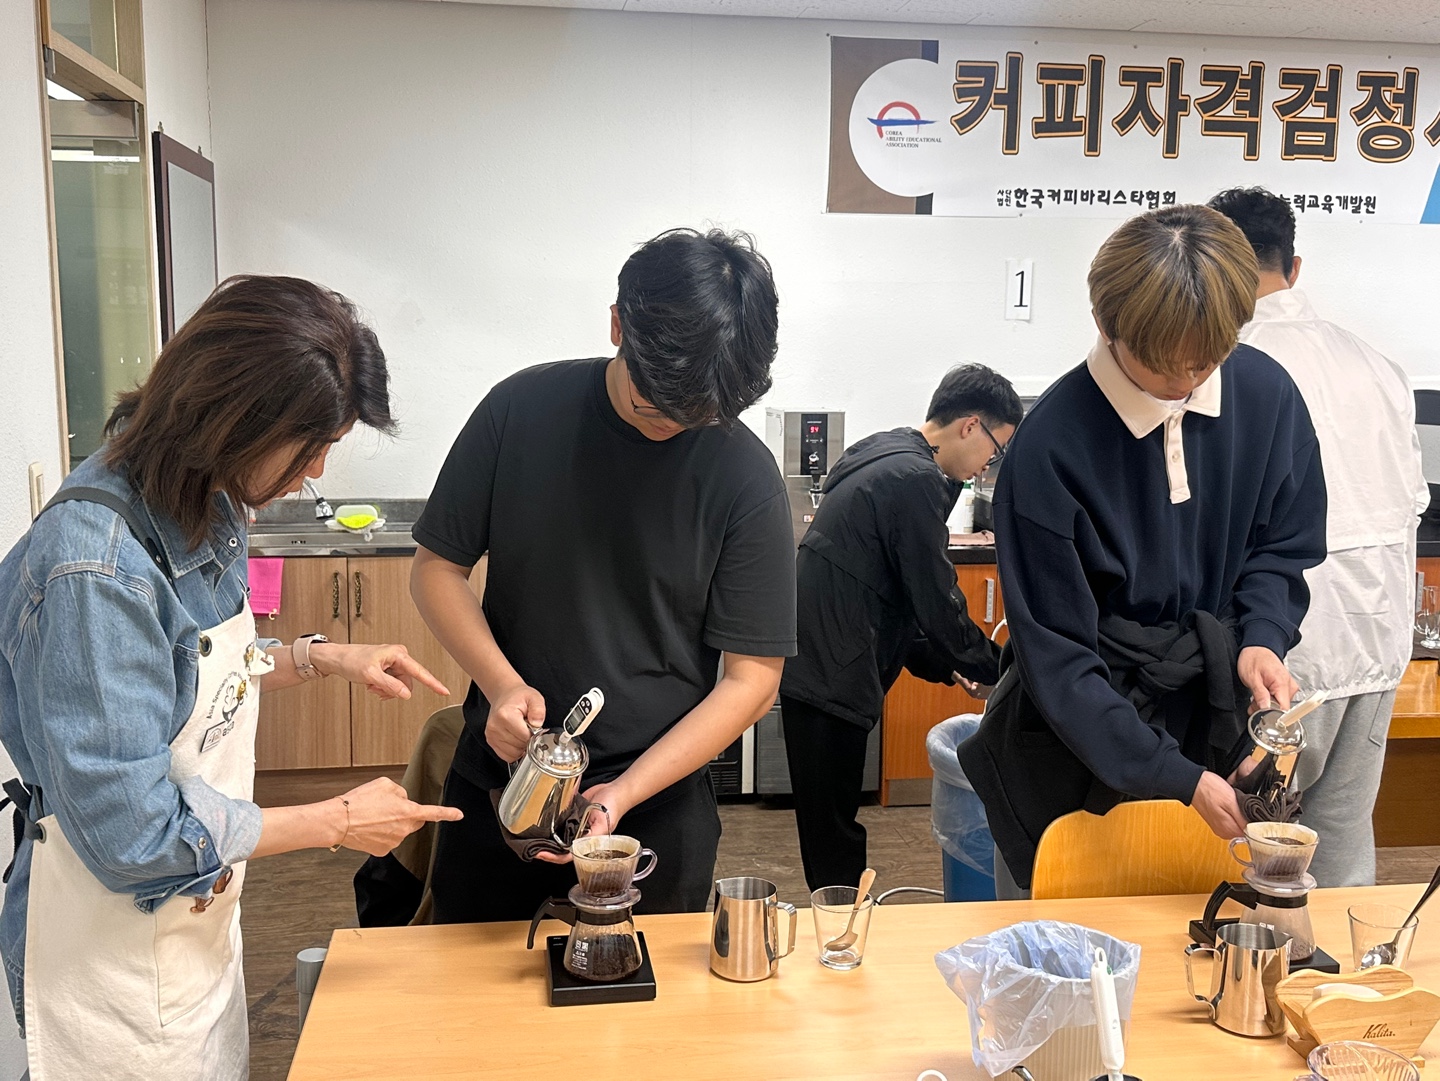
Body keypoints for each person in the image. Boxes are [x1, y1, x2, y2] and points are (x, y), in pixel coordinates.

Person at [0, 275, 463, 1079]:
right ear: (235, 416)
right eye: (309, 446)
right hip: (111, 960)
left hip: (194, 927)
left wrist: (320, 656)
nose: (316, 469)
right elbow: (135, 831)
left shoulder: (206, 500)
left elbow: (200, 675)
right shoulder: (95, 569)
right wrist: (336, 820)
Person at [410, 228, 796, 923]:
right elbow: (437, 569)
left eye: (696, 418)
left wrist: (622, 793)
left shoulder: (745, 475)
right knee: (468, 985)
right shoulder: (518, 411)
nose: (671, 427)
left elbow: (753, 678)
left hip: (656, 805)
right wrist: (502, 686)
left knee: (644, 993)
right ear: (618, 324)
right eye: (655, 407)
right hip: (502, 784)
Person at [958, 205, 1329, 898]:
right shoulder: (1050, 449)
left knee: (1207, 932)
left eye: (1208, 360)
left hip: (1213, 719)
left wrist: (1262, 636)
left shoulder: (1267, 396)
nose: (1187, 381)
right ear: (1107, 324)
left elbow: (1283, 544)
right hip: (1077, 741)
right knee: (1060, 942)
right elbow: (1060, 661)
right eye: (1164, 364)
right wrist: (1174, 777)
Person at [1209, 186, 1427, 887]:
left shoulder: (1225, 365)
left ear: (1213, 266)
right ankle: (1337, 963)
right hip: (1376, 637)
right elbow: (1412, 501)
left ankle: (1245, 962)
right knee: (1338, 844)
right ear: (1293, 267)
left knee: (1248, 847)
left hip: (1276, 656)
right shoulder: (1379, 365)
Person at [778, 364, 1021, 892]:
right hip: (831, 676)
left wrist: (949, 666)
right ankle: (842, 931)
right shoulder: (915, 480)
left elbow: (892, 594)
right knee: (834, 834)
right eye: (996, 450)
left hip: (817, 663)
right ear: (971, 425)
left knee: (828, 828)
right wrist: (1002, 670)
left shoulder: (885, 451)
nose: (988, 465)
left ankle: (840, 922)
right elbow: (936, 602)